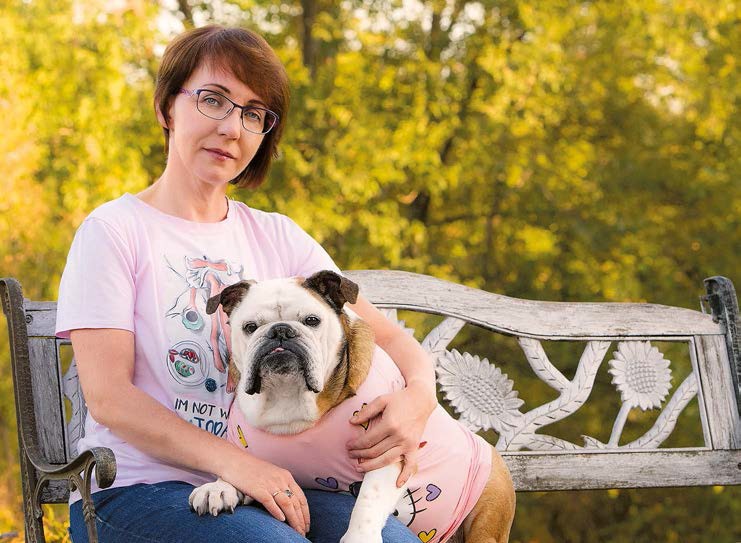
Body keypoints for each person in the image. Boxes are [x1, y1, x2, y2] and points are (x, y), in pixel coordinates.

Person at [56, 24, 438, 543]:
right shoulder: (113, 231)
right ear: (167, 108)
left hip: (271, 485)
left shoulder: (279, 236)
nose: (232, 128)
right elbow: (110, 399)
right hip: (136, 492)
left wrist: (419, 398)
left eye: (254, 113)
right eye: (213, 100)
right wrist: (237, 464)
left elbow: (386, 336)